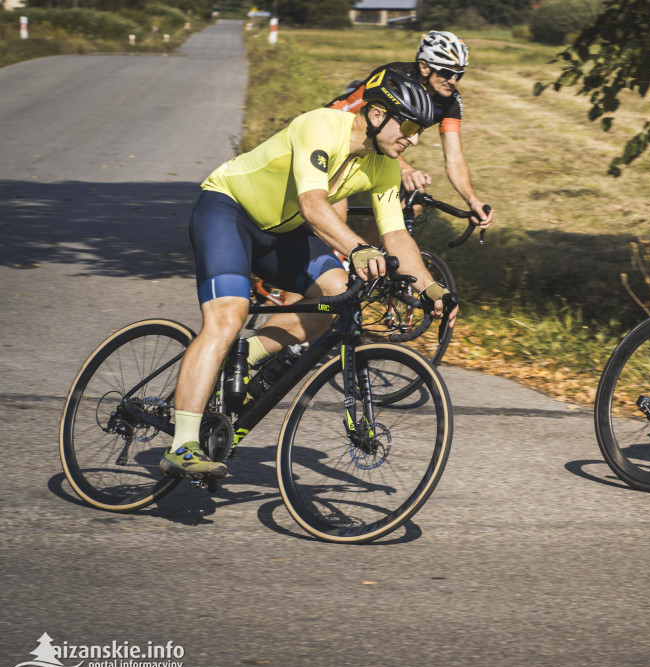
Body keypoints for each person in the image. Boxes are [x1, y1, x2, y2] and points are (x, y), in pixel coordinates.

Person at [160, 68, 455, 478]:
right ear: (375, 115)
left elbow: (397, 237)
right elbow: (313, 205)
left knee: (337, 294)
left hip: (279, 231)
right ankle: (182, 445)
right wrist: (357, 247)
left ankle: (247, 358)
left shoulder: (381, 165)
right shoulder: (320, 126)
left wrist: (433, 290)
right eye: (407, 125)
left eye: (420, 129)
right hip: (227, 210)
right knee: (228, 316)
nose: (414, 138)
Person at [327, 30, 494, 233]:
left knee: (412, 205)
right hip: (337, 135)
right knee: (336, 215)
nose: (453, 81)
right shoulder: (395, 79)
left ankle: (364, 259)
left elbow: (455, 159)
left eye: (459, 74)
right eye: (447, 72)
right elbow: (375, 131)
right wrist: (405, 168)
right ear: (424, 67)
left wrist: (473, 201)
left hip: (373, 149)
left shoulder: (449, 101)